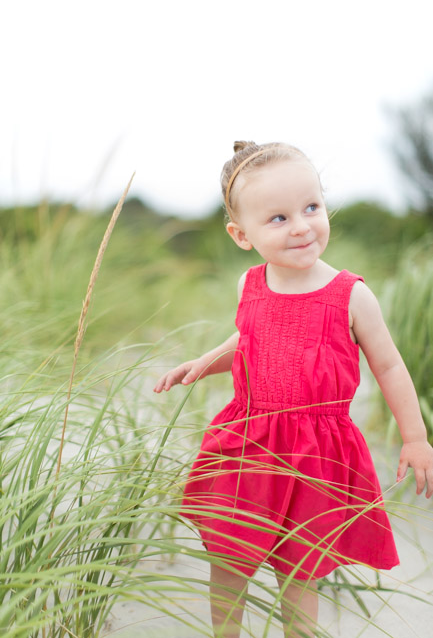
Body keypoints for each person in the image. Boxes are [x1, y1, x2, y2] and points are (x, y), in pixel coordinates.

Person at [154, 141, 433, 638]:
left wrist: (413, 437)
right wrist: (203, 363)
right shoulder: (251, 284)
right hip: (247, 441)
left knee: (299, 567)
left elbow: (389, 366)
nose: (302, 225)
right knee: (229, 553)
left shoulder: (351, 295)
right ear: (242, 235)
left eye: (311, 207)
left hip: (314, 452)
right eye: (278, 218)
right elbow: (248, 340)